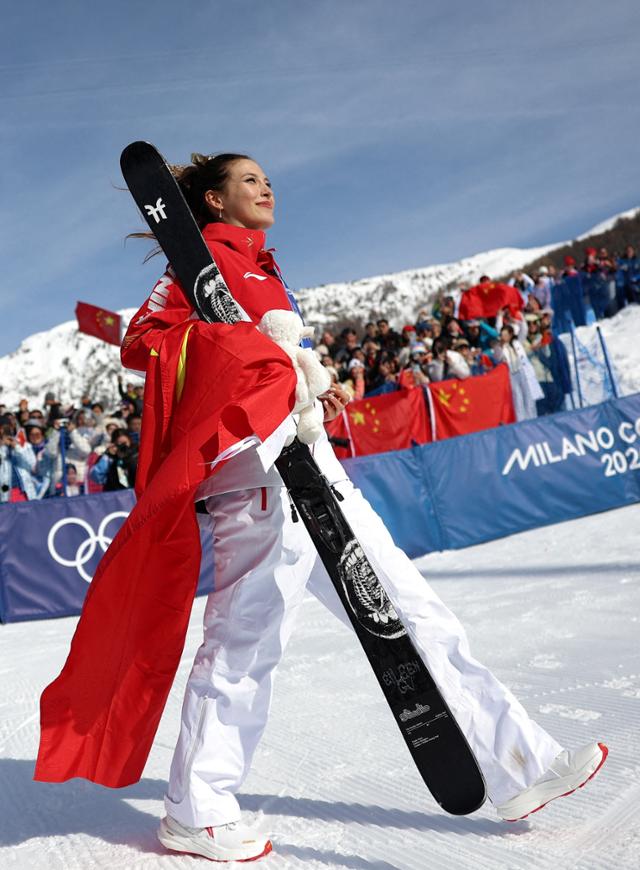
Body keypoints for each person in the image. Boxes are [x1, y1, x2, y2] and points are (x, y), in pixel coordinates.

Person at [35, 151, 606, 863]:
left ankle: (519, 763)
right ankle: (196, 810)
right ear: (212, 201)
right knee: (247, 640)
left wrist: (308, 383)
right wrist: (249, 355)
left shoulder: (263, 269)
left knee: (411, 614)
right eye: (248, 179)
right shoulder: (196, 266)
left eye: (266, 178)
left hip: (312, 462)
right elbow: (144, 345)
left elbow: (276, 363)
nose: (265, 186)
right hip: (254, 472)